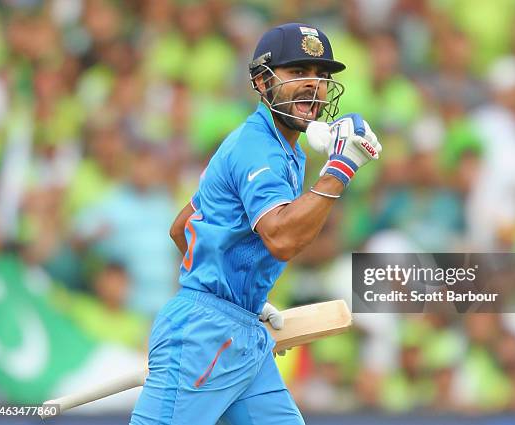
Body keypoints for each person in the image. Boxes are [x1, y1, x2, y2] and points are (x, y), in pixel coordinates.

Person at [129, 23, 382, 425]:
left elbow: (183, 226)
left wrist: (241, 294)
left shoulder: (282, 150)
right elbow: (281, 238)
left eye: (321, 76)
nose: (313, 86)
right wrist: (340, 168)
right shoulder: (257, 146)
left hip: (241, 332)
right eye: (298, 72)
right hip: (203, 338)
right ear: (263, 82)